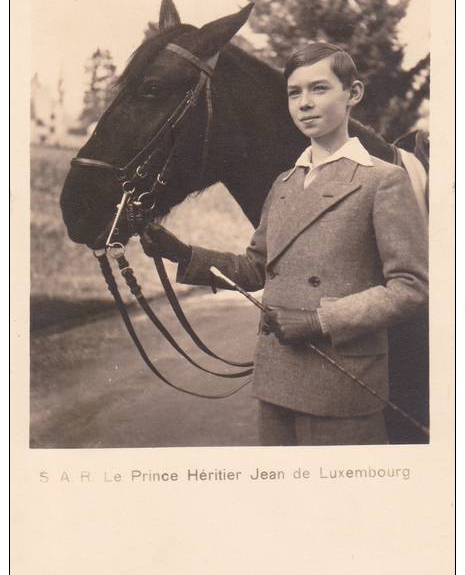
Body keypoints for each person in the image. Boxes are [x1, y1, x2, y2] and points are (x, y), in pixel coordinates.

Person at [141, 42, 428, 446]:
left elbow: (411, 288)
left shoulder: (383, 180)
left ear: (354, 94)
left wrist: (318, 321)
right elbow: (255, 268)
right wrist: (180, 252)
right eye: (294, 93)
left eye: (319, 89)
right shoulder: (284, 183)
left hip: (342, 388)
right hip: (276, 384)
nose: (304, 104)